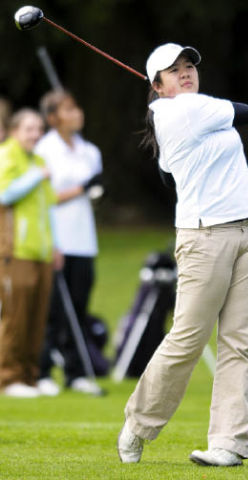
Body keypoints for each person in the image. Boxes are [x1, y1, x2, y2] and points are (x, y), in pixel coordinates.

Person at [117, 43, 248, 466]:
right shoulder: (176, 111)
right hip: (206, 238)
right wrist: (182, 105)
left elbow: (169, 174)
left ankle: (228, 444)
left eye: (189, 66)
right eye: (173, 70)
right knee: (188, 338)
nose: (185, 73)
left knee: (240, 343)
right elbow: (246, 110)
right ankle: (138, 423)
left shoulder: (194, 110)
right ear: (157, 85)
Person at [35, 90, 103, 396]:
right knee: (52, 310)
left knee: (78, 307)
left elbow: (93, 193)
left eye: (76, 107)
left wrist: (91, 190)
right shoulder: (43, 150)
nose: (77, 113)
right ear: (53, 118)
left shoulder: (90, 151)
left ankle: (75, 373)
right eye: (68, 109)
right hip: (56, 239)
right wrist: (81, 188)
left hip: (84, 240)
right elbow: (45, 197)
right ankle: (42, 372)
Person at [0, 108, 61, 397]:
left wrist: (55, 244)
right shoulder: (7, 155)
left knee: (37, 318)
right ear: (14, 131)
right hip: (15, 251)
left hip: (41, 252)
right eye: (29, 129)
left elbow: (47, 209)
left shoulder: (38, 160)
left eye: (39, 129)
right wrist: (35, 176)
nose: (36, 134)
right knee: (16, 317)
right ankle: (8, 378)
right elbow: (4, 195)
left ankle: (29, 377)